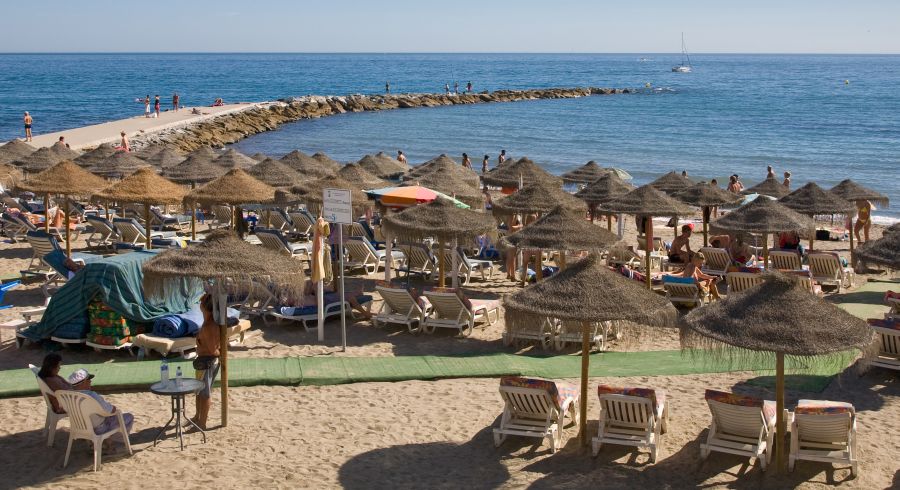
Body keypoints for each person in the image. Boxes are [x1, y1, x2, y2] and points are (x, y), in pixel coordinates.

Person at [69, 368, 134, 446]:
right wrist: (113, 409)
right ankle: (114, 444)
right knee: (129, 416)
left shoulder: (67, 396)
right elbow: (111, 410)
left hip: (79, 427)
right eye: (88, 380)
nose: (90, 381)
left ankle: (101, 443)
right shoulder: (91, 395)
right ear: (83, 382)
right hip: (99, 429)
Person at [192, 293, 221, 430]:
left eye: (202, 301)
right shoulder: (208, 322)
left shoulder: (209, 326)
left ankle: (202, 423)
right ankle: (197, 417)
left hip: (207, 362)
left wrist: (220, 354)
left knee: (205, 394)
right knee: (199, 392)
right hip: (203, 361)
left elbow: (212, 350)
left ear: (205, 307)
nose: (200, 303)